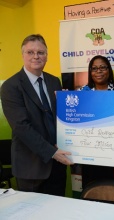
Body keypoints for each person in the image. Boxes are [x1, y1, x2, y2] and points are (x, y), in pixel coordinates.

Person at [0, 34, 73, 196]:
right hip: (30, 166)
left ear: (46, 56)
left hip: (57, 163)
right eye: (30, 52)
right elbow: (21, 127)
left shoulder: (54, 81)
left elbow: (58, 118)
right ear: (23, 55)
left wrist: (67, 104)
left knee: (56, 210)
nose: (36, 56)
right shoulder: (10, 86)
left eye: (41, 52)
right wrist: (52, 152)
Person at [77, 55, 114, 188]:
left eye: (102, 67)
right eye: (94, 68)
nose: (99, 71)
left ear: (109, 70)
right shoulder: (82, 92)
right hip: (90, 154)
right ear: (90, 72)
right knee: (92, 191)